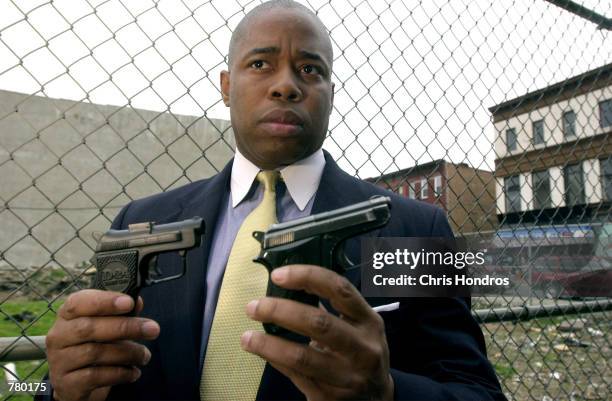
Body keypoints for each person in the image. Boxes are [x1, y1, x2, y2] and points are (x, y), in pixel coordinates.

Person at [42, 1, 506, 400]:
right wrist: (57, 391)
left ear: (330, 93)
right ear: (226, 87)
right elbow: (83, 374)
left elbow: (476, 390)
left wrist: (386, 391)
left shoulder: (415, 229)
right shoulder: (141, 223)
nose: (286, 85)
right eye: (260, 64)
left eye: (310, 69)